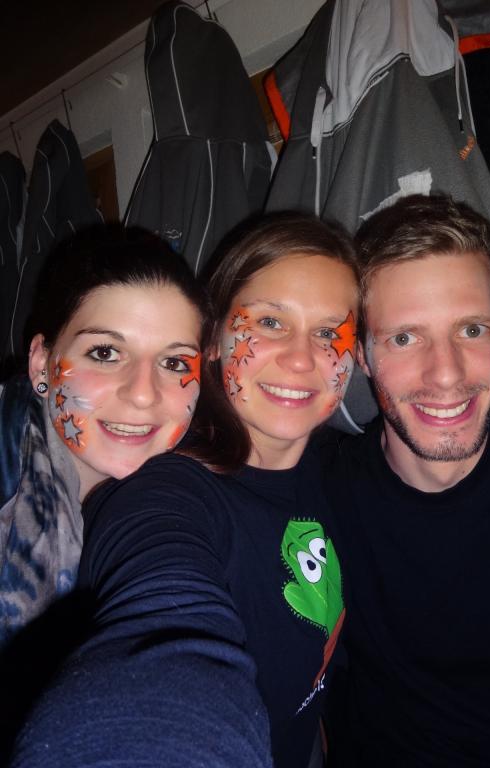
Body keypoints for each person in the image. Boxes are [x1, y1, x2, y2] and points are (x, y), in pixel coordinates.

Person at [9, 212, 360, 768]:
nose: (301, 358)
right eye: (270, 322)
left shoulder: (342, 466)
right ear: (215, 341)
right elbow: (162, 629)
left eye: (328, 333)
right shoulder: (164, 494)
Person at [323, 194, 490, 767]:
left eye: (471, 329)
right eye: (404, 338)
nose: (445, 374)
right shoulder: (317, 502)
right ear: (361, 353)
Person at [0, 226, 203, 646]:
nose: (143, 394)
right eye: (106, 353)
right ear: (41, 364)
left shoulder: (185, 486)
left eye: (174, 363)